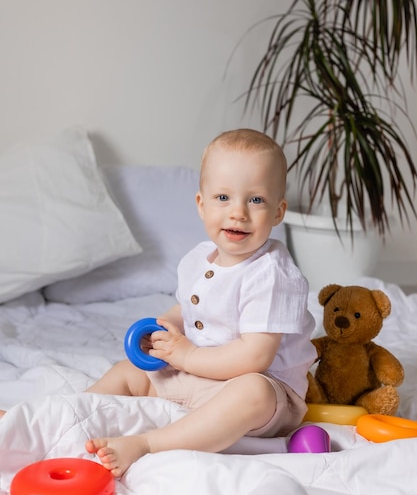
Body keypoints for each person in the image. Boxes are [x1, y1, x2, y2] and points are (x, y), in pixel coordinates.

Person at [85, 128, 316, 476]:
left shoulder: (272, 274)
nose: (238, 212)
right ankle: (57, 416)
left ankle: (148, 444)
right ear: (201, 204)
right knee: (126, 372)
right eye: (223, 197)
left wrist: (188, 355)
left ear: (278, 211)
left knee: (253, 392)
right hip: (198, 378)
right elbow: (191, 310)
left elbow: (255, 356)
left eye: (255, 200)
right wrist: (166, 328)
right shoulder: (197, 260)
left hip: (260, 393)